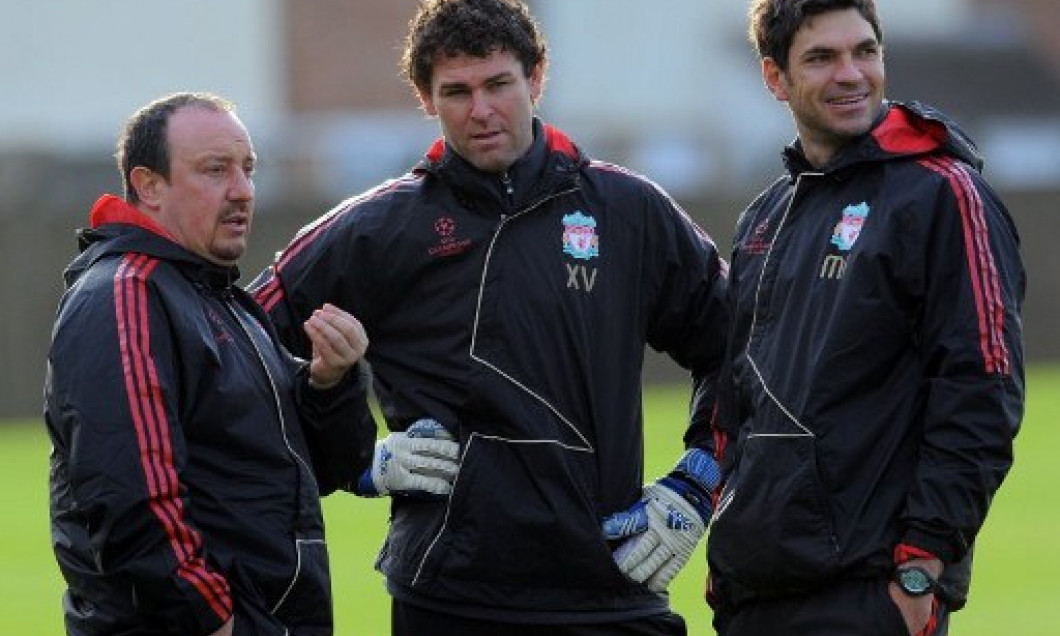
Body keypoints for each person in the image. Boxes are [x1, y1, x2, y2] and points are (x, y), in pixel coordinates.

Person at [249, 0, 729, 633]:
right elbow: (233, 350)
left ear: (535, 77)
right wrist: (356, 456)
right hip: (449, 597)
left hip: (611, 584)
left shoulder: (629, 212)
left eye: (498, 84)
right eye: (456, 91)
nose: (481, 110)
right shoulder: (376, 229)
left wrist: (698, 481)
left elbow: (746, 347)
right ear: (426, 98)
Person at [701, 1, 1026, 635]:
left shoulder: (941, 192)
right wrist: (727, 543)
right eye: (822, 58)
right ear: (775, 77)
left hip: (873, 591)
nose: (851, 74)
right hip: (756, 594)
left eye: (865, 51)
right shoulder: (764, 218)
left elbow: (983, 389)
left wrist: (922, 562)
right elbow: (732, 396)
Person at [44, 92, 380, 635]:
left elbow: (316, 471)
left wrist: (330, 382)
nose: (243, 191)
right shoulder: (126, 292)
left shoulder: (222, 300)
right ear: (149, 185)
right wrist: (212, 619)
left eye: (248, 169)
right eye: (215, 170)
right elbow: (131, 494)